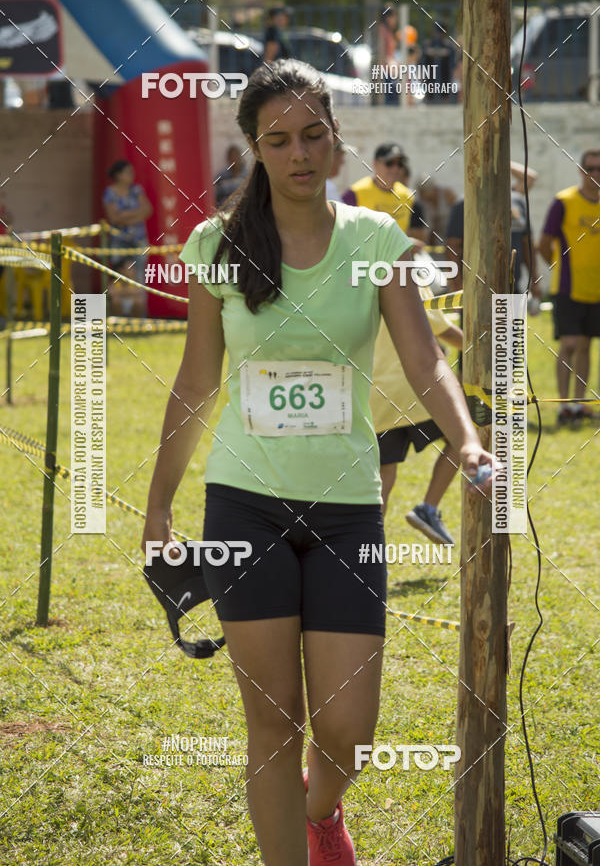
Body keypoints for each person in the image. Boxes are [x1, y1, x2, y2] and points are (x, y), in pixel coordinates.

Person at [141, 59, 493, 866]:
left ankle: (321, 810)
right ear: (255, 150)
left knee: (348, 730)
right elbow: (196, 382)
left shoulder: (376, 240)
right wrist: (160, 503)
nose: (299, 153)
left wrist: (468, 440)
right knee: (272, 722)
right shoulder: (216, 245)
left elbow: (425, 362)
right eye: (279, 139)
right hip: (244, 502)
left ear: (336, 142)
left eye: (313, 135)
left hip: (346, 509)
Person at [372, 286, 463, 543]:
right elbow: (444, 331)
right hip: (418, 391)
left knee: (383, 476)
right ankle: (428, 508)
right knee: (464, 439)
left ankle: (370, 549)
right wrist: (484, 344)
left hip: (375, 394)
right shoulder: (404, 277)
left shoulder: (352, 278)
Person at [539, 148, 600, 424]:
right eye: (590, 168)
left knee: (586, 346)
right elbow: (544, 242)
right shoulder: (564, 201)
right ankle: (563, 404)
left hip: (595, 291)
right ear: (581, 170)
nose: (595, 174)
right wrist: (557, 266)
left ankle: (579, 403)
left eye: (599, 169)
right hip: (567, 290)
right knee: (570, 343)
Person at [341, 143, 423, 241]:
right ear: (375, 164)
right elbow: (343, 232)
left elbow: (416, 232)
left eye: (400, 164)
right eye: (390, 163)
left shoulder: (408, 195)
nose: (395, 168)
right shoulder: (355, 193)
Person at [102, 159, 153, 316]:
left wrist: (124, 215)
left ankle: (141, 319)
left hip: (138, 240)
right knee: (118, 279)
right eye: (128, 172)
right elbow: (114, 218)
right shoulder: (110, 192)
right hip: (119, 242)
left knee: (139, 279)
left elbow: (148, 210)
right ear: (118, 175)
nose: (132, 175)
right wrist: (136, 214)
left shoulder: (137, 190)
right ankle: (117, 319)